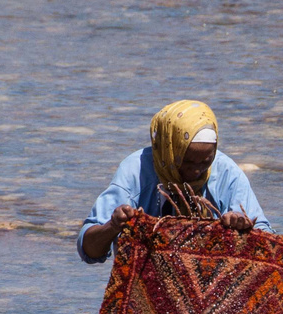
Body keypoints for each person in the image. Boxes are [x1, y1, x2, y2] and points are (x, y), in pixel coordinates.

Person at [78, 100, 271, 263]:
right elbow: (89, 251)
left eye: (205, 161)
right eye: (186, 162)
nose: (196, 171)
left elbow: (268, 243)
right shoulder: (135, 172)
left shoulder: (227, 173)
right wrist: (113, 226)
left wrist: (242, 227)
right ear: (169, 151)